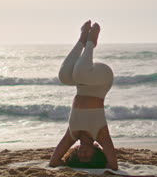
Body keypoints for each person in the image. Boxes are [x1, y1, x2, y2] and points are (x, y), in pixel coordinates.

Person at [49, 20, 118, 170]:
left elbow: (53, 162)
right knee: (80, 73)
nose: (83, 155)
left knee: (64, 77)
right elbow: (113, 166)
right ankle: (91, 42)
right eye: (88, 157)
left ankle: (82, 40)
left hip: (83, 82)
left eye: (80, 157)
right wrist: (104, 167)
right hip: (102, 79)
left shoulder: (72, 135)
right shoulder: (101, 134)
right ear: (95, 152)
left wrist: (68, 166)